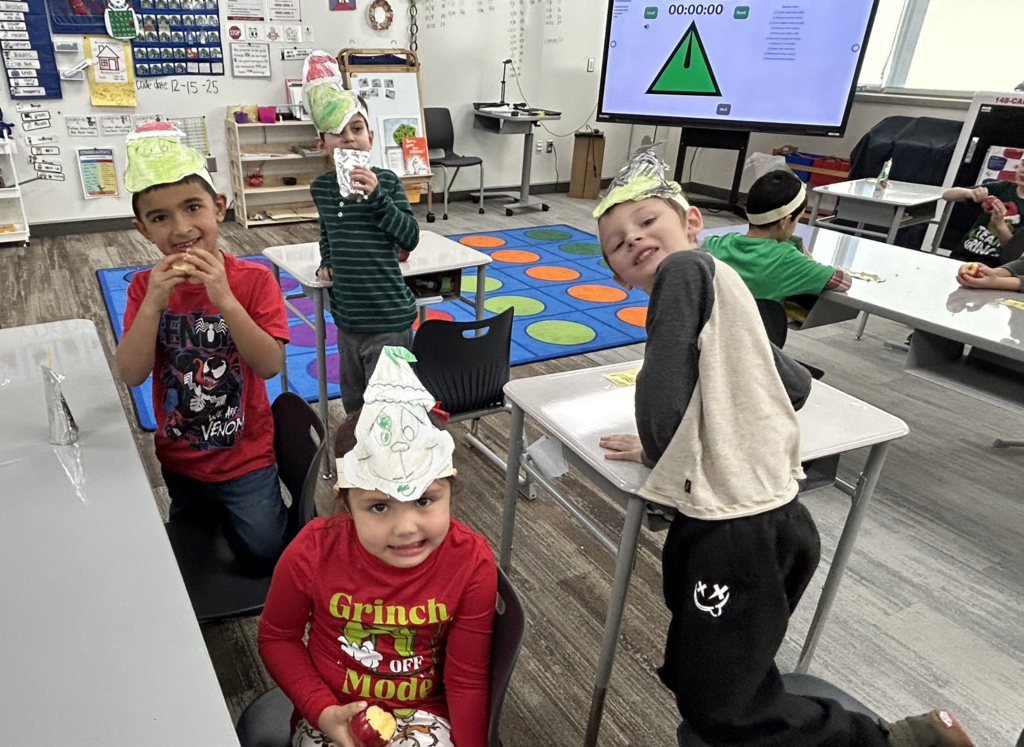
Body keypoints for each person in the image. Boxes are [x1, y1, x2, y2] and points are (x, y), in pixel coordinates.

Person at [593, 147, 977, 747]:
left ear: (692, 222)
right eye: (618, 243)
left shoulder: (682, 273)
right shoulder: (723, 283)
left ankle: (897, 741)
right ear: (618, 274)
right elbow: (794, 385)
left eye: (647, 221)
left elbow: (662, 416)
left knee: (722, 707)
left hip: (734, 531)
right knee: (724, 670)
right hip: (780, 522)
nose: (635, 240)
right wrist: (728, 418)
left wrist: (654, 449)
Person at [259, 347, 496, 747]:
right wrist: (323, 711)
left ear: (449, 488)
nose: (405, 528)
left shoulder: (470, 562)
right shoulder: (314, 550)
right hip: (332, 713)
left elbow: (467, 679)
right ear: (346, 501)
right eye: (379, 506)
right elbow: (277, 638)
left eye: (424, 500)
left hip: (424, 717)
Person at [116, 121, 290, 568]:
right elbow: (132, 373)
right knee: (191, 557)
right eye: (160, 218)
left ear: (219, 207)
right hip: (180, 454)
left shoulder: (253, 280)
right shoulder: (143, 287)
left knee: (264, 554)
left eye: (193, 208)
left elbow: (270, 365)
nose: (181, 228)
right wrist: (154, 303)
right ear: (143, 230)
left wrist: (225, 299)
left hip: (246, 456)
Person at [303, 51, 420, 415]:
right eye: (337, 133)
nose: (349, 139)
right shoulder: (322, 189)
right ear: (323, 144)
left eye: (356, 129)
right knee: (355, 405)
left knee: (393, 405)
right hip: (349, 321)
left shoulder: (386, 181)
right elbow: (329, 231)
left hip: (389, 318)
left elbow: (410, 237)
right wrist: (326, 259)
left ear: (370, 136)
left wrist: (378, 198)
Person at [704, 169, 852, 305]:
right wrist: (806, 256)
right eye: (798, 219)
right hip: (759, 331)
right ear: (785, 221)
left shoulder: (717, 244)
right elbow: (843, 282)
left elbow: (705, 241)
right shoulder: (786, 258)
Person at [943, 161, 1024, 264]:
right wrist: (970, 193)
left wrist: (999, 225)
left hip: (993, 266)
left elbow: (1014, 252)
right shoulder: (1002, 188)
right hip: (962, 254)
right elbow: (947, 195)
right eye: (1023, 164)